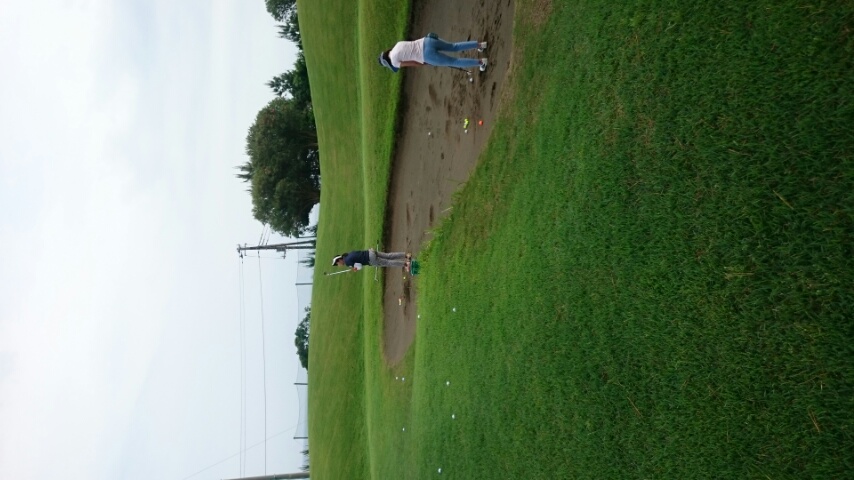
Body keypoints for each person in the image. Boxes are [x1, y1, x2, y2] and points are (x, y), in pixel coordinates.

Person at [378, 33, 488, 73]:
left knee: (454, 61)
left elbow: (413, 63)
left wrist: (424, 64)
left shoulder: (394, 62)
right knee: (454, 47)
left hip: (427, 55)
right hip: (427, 40)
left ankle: (481, 62)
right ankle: (480, 45)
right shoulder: (397, 45)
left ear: (388, 63)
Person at [332, 249, 412, 271]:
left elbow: (360, 266)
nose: (339, 265)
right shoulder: (349, 254)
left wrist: (355, 268)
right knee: (388, 256)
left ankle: (406, 264)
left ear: (339, 260)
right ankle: (406, 255)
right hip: (370, 252)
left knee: (388, 262)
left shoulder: (347, 262)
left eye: (337, 264)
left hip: (371, 259)